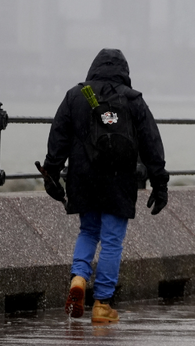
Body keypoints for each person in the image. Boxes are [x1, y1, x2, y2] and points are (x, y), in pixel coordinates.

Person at [42, 48, 169, 324]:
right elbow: (151, 143)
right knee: (112, 240)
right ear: (124, 71)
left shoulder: (75, 97)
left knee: (88, 231)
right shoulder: (133, 100)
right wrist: (160, 182)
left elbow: (58, 137)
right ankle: (102, 304)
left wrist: (51, 171)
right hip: (119, 179)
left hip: (83, 178)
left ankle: (78, 277)